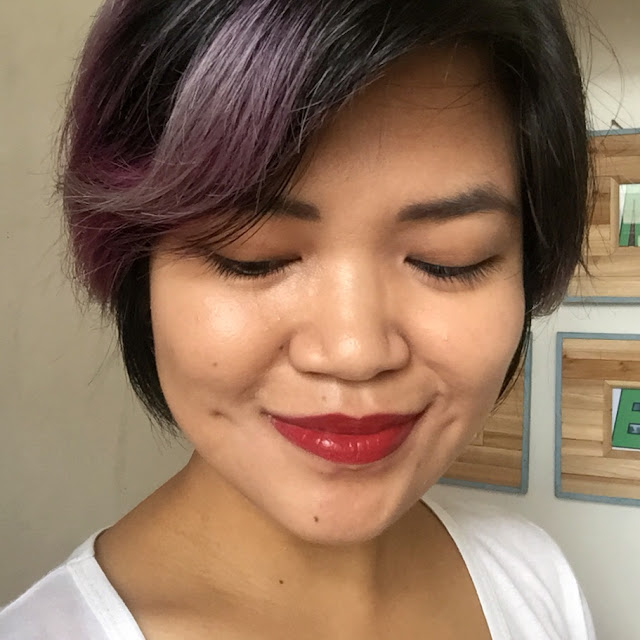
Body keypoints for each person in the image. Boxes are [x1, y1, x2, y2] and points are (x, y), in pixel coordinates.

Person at [1, 0, 597, 638]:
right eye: (252, 257)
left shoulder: (537, 581)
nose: (354, 351)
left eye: (447, 260)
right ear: (136, 271)